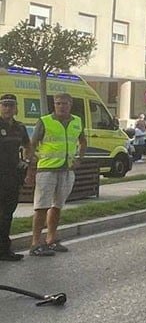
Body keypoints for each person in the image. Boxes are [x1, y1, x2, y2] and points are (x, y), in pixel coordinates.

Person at [28, 93, 86, 256]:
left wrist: (80, 158)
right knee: (41, 207)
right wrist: (32, 165)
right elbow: (32, 144)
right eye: (58, 103)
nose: (61, 106)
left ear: (70, 104)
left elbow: (83, 141)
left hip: (66, 170)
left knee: (57, 206)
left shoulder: (77, 121)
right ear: (54, 104)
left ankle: (51, 239)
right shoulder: (45, 121)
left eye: (64, 103)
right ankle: (35, 243)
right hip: (46, 169)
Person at [0, 94, 30, 261]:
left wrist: (26, 161)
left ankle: (4, 250)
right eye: (4, 105)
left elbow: (27, 145)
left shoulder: (20, 127)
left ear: (16, 108)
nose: (7, 108)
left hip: (12, 177)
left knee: (7, 214)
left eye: (10, 106)